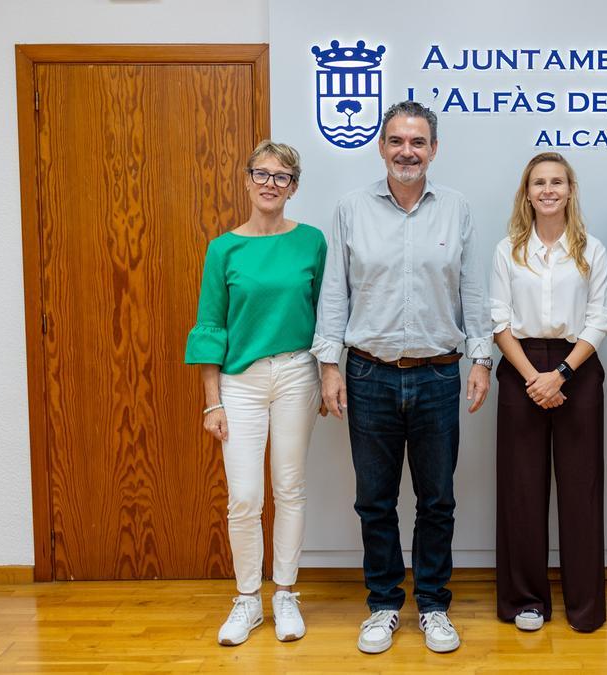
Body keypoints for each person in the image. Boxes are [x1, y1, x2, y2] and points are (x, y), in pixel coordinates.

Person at [310, 101, 493, 655]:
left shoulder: (457, 208)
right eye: (396, 141)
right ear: (381, 146)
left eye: (417, 142)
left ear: (433, 149)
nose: (406, 151)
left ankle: (434, 605)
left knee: (438, 499)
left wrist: (482, 359)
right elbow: (335, 292)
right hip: (369, 375)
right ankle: (384, 604)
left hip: (439, 375)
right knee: (375, 500)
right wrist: (329, 366)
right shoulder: (351, 208)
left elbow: (473, 290)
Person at [185, 140, 326, 646]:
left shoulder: (312, 241)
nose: (270, 183)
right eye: (262, 174)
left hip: (295, 373)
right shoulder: (224, 248)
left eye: (282, 176)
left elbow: (327, 315)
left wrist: (330, 375)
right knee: (244, 497)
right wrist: (212, 398)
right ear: (247, 181)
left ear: (294, 187)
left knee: (290, 488)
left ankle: (285, 593)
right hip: (238, 384)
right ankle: (247, 599)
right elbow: (210, 325)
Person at [490, 152, 607, 633]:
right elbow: (499, 321)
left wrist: (559, 374)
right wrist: (532, 378)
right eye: (538, 182)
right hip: (520, 367)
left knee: (581, 491)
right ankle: (525, 601)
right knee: (522, 490)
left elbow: (600, 319)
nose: (547, 190)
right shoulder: (508, 250)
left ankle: (585, 607)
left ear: (570, 190)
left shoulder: (592, 250)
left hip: (576, 368)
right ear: (527, 192)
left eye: (556, 182)